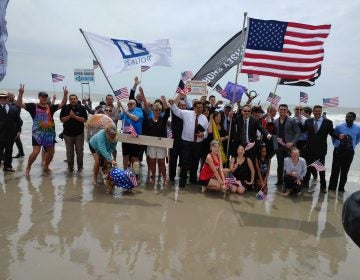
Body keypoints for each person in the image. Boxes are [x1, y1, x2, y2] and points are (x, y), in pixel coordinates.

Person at [16, 84, 67, 176]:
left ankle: (46, 166)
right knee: (36, 152)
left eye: (46, 96)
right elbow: (19, 104)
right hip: (37, 134)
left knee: (51, 152)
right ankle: (28, 167)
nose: (44, 98)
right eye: (42, 96)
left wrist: (65, 94)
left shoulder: (50, 107)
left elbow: (62, 103)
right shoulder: (33, 106)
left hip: (49, 133)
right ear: (39, 97)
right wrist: (20, 93)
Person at [169, 95, 209, 188]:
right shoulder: (187, 113)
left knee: (195, 161)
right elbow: (175, 110)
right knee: (184, 162)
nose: (200, 109)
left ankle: (193, 179)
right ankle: (182, 181)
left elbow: (206, 131)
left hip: (198, 144)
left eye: (201, 108)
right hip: (186, 143)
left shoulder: (204, 118)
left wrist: (203, 135)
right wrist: (175, 100)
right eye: (198, 108)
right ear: (194, 108)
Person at [301, 105, 342, 193]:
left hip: (321, 149)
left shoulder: (328, 122)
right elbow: (302, 130)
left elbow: (332, 132)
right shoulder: (308, 121)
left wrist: (339, 136)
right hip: (309, 148)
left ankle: (323, 187)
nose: (317, 112)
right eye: (315, 111)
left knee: (320, 168)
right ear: (313, 111)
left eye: (319, 111)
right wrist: (299, 122)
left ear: (321, 111)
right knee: (308, 168)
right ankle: (305, 184)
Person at [328, 112, 360, 192]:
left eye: (350, 117)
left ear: (354, 119)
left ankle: (341, 188)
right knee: (335, 170)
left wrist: (352, 145)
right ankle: (332, 188)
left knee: (345, 171)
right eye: (347, 117)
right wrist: (336, 144)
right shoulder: (339, 127)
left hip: (349, 151)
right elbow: (333, 136)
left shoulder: (358, 128)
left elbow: (358, 139)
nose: (348, 119)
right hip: (338, 150)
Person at [143, 98, 170, 185]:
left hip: (161, 144)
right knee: (152, 162)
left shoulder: (163, 119)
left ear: (161, 110)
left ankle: (165, 179)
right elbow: (145, 132)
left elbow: (168, 111)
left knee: (162, 163)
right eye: (155, 110)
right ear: (153, 110)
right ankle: (153, 178)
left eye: (159, 110)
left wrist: (165, 101)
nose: (157, 111)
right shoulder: (149, 120)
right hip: (151, 145)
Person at [272, 104, 300, 187]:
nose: (283, 111)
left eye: (284, 110)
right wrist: (275, 147)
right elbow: (274, 135)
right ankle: (279, 181)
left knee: (289, 165)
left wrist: (292, 142)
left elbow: (298, 132)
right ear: (278, 110)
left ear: (287, 111)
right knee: (280, 165)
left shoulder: (292, 121)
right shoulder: (275, 121)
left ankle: (288, 181)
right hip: (279, 147)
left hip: (289, 147)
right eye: (281, 109)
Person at [60, 94, 88, 172]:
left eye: (74, 99)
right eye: (71, 99)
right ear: (69, 100)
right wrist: (69, 116)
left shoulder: (82, 108)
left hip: (79, 134)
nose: (73, 100)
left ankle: (80, 168)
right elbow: (62, 119)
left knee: (79, 151)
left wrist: (75, 116)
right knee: (69, 152)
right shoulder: (65, 107)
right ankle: (70, 168)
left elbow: (85, 120)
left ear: (77, 99)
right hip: (67, 134)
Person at [118, 99, 144, 176]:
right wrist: (118, 107)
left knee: (134, 157)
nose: (129, 105)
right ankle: (125, 173)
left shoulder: (139, 110)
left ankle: (136, 174)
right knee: (125, 156)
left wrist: (126, 113)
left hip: (135, 136)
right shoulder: (126, 111)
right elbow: (117, 117)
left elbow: (136, 118)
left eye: (131, 104)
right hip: (125, 136)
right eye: (128, 104)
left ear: (135, 105)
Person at [0, 90, 22, 172]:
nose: (3, 99)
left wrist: (19, 130)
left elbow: (18, 121)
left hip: (11, 134)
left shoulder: (14, 108)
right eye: (1, 97)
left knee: (9, 151)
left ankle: (7, 166)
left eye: (4, 97)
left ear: (7, 98)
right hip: (0, 134)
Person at [7, 92, 25, 158]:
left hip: (16, 122)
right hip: (9, 123)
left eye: (12, 95)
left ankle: (6, 155)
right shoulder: (6, 103)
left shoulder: (16, 103)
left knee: (15, 138)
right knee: (17, 139)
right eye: (9, 96)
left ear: (14, 96)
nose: (10, 97)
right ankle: (21, 153)